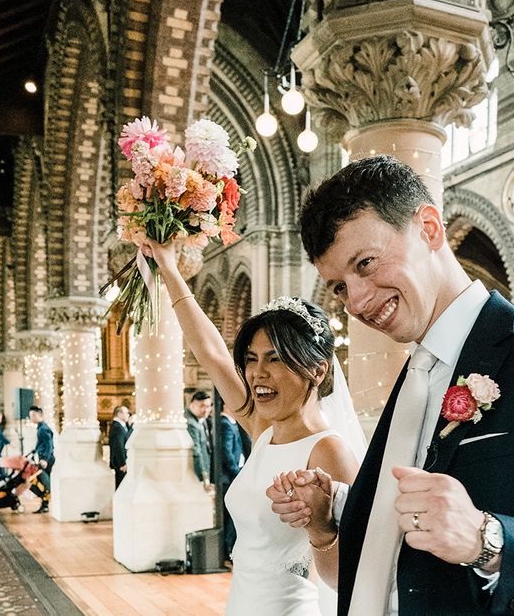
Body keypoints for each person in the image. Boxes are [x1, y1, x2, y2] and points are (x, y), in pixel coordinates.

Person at [268, 155, 514, 615]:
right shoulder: (413, 378)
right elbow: (393, 553)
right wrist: (331, 514)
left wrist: (488, 540)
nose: (357, 301)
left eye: (366, 263)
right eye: (340, 288)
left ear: (429, 228)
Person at [144, 237, 365, 616]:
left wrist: (321, 526)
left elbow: (356, 571)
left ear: (317, 369)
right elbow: (211, 353)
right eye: (251, 358)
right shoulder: (264, 430)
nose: (257, 373)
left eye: (275, 358)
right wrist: (168, 267)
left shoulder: (329, 451)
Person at [220, 402, 244, 561]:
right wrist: (237, 473)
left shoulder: (233, 423)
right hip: (231, 476)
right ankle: (228, 548)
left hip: (238, 471)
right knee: (231, 514)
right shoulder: (225, 424)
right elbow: (227, 453)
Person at [29, 405, 55, 513]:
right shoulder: (40, 427)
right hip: (43, 458)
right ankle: (44, 504)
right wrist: (35, 450)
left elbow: (49, 445)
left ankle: (45, 505)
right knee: (40, 482)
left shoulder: (43, 429)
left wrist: (44, 459)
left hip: (46, 460)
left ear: (38, 415)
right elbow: (42, 444)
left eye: (32, 415)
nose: (31, 418)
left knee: (43, 483)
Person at [185, 390, 213, 489]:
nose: (206, 410)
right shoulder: (190, 423)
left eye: (208, 406)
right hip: (195, 473)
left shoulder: (203, 419)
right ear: (192, 405)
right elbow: (196, 452)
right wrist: (204, 476)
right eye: (202, 406)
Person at [109, 405, 131, 490]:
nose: (128, 415)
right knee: (122, 487)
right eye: (126, 413)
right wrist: (122, 463)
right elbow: (119, 446)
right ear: (119, 414)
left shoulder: (119, 426)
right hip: (120, 464)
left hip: (120, 462)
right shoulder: (118, 427)